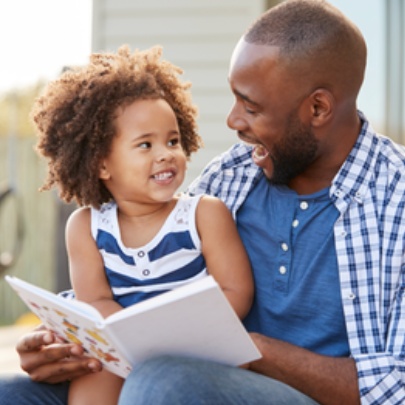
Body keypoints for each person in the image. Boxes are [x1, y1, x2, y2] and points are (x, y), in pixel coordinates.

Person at [1, 0, 404, 404]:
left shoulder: (396, 199)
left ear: (317, 108)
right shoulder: (232, 175)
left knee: (162, 382)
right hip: (191, 381)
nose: (232, 120)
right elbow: (149, 273)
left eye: (251, 106)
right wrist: (62, 340)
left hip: (286, 394)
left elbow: (398, 384)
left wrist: (250, 351)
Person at [0, 46, 253, 405]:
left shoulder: (204, 214)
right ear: (102, 165)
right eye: (145, 144)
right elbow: (96, 301)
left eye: (173, 140)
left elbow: (236, 292)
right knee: (96, 371)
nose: (165, 153)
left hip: (197, 351)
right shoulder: (86, 227)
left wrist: (166, 334)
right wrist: (136, 337)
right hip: (121, 348)